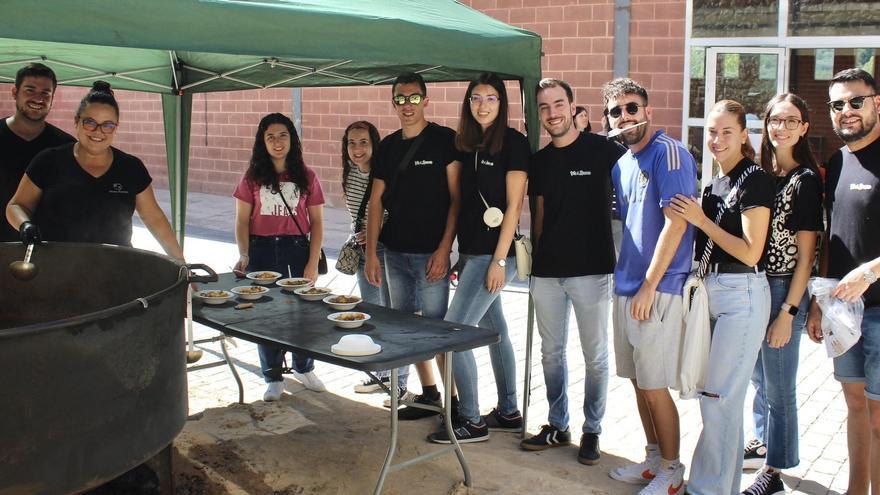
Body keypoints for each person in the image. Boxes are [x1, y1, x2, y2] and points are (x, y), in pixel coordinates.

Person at [670, 100, 774, 495]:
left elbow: (750, 251)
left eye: (726, 131)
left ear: (744, 135)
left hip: (742, 294)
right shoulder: (715, 183)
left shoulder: (754, 180)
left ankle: (705, 489)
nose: (717, 139)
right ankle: (719, 487)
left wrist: (701, 221)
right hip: (713, 293)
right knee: (717, 399)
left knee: (717, 398)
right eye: (711, 131)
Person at [520, 78, 625, 464]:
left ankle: (592, 430)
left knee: (595, 356)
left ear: (573, 105)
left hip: (592, 270)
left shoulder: (605, 151)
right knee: (551, 353)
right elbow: (540, 216)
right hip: (547, 273)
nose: (552, 113)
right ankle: (557, 423)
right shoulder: (540, 161)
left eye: (558, 104)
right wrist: (534, 266)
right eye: (544, 107)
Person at [425, 73, 529, 444]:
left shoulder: (514, 143)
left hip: (495, 255)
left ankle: (471, 420)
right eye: (476, 98)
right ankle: (508, 411)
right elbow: (463, 205)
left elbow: (514, 207)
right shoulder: (464, 145)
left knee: (452, 334)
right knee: (494, 333)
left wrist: (499, 262)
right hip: (472, 254)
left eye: (491, 98)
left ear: (502, 104)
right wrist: (461, 258)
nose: (483, 105)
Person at [604, 78, 696, 494]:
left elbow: (677, 224)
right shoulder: (621, 164)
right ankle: (655, 458)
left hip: (657, 289)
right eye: (615, 111)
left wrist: (648, 285)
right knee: (638, 381)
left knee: (656, 385)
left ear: (647, 110)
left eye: (631, 107)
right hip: (626, 287)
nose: (624, 116)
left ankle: (673, 469)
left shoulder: (670, 153)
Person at [364, 72, 461, 420]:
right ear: (393, 103)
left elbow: (456, 200)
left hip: (430, 253)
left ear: (426, 100)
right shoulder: (388, 147)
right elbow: (376, 202)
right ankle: (430, 394)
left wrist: (444, 249)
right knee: (407, 329)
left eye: (414, 98)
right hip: (394, 253)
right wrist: (372, 252)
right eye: (400, 99)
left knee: (436, 331)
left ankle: (456, 406)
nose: (407, 105)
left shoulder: (444, 140)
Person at [741, 94, 823, 495]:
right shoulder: (762, 174)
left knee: (779, 386)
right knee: (759, 376)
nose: (782, 128)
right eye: (775, 120)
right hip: (755, 282)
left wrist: (788, 312)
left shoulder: (805, 180)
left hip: (783, 286)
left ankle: (775, 469)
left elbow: (807, 257)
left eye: (792, 121)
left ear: (804, 127)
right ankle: (762, 442)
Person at [6, 80, 183, 261]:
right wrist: (25, 225)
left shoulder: (131, 168)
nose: (98, 132)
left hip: (115, 269)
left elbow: (154, 218)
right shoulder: (48, 161)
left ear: (116, 128)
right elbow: (16, 206)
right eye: (90, 123)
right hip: (55, 268)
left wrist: (181, 263)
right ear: (76, 122)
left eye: (107, 125)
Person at [808, 68, 880, 495]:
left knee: (877, 415)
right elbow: (832, 236)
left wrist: (871, 270)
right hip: (843, 310)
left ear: (877, 103)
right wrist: (819, 301)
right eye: (838, 104)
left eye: (856, 101)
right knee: (854, 406)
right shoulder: (836, 162)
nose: (847, 111)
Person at [232, 112, 326, 401]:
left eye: (282, 135)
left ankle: (303, 367)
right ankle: (272, 376)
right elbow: (241, 221)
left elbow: (318, 223)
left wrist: (311, 262)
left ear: (292, 139)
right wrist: (244, 253)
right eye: (270, 136)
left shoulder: (307, 176)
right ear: (262, 141)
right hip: (262, 250)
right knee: (266, 314)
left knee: (302, 313)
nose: (277, 141)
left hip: (295, 249)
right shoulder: (252, 178)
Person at [341, 120, 410, 397]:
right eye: (351, 143)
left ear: (374, 145)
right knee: (371, 314)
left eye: (363, 142)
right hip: (362, 251)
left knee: (390, 315)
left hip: (382, 250)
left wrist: (373, 232)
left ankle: (400, 381)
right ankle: (381, 376)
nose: (357, 149)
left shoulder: (383, 174)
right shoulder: (350, 174)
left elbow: (393, 211)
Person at [1, 63, 74, 242]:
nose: (38, 98)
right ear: (14, 92)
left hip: (45, 248)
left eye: (45, 93)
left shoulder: (66, 146)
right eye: (30, 90)